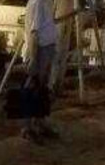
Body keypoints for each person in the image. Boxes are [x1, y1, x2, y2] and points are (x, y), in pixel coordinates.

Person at [23, 0, 61, 142]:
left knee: (41, 88)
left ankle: (40, 123)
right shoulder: (38, 3)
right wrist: (33, 58)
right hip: (40, 50)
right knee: (33, 86)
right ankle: (28, 127)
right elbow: (34, 33)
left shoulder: (43, 3)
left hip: (45, 49)